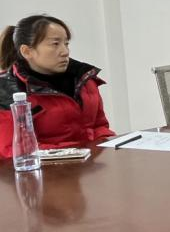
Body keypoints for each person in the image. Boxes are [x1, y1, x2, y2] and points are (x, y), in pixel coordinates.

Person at [0, 15, 115, 158]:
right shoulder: (6, 90)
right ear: (27, 51)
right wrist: (78, 153)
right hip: (45, 169)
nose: (65, 52)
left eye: (66, 44)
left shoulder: (85, 79)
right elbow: (16, 149)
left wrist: (107, 149)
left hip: (89, 164)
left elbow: (100, 127)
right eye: (55, 44)